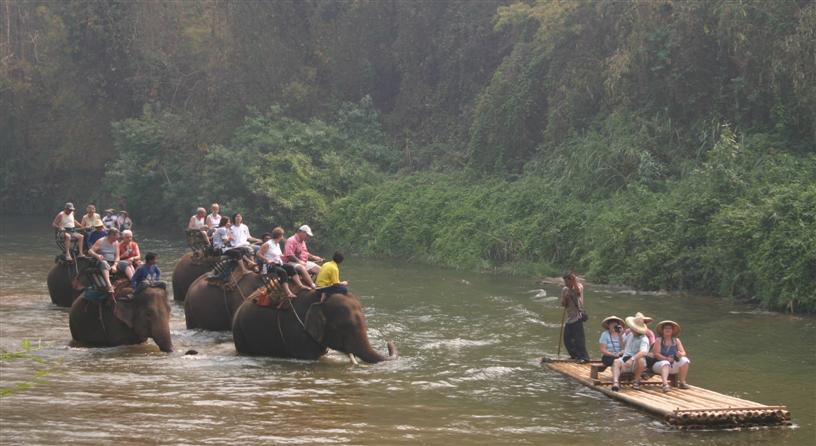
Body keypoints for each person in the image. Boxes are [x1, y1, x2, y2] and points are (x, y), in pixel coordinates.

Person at [611, 314, 650, 392]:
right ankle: (615, 383)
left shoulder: (644, 339)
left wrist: (632, 359)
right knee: (616, 361)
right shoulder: (630, 334)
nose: (631, 329)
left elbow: (643, 352)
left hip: (635, 362)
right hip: (625, 359)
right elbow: (623, 346)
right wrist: (620, 335)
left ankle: (636, 381)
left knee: (641, 360)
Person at [256, 227, 298, 298]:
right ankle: (288, 293)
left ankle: (300, 285)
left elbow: (278, 254)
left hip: (278, 264)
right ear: (279, 236)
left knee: (290, 267)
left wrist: (283, 256)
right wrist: (267, 260)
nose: (282, 237)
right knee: (283, 272)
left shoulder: (277, 244)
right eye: (282, 235)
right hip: (269, 266)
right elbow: (258, 253)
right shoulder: (268, 244)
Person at [652, 320, 691, 392]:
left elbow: (683, 352)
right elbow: (656, 354)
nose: (667, 330)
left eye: (669, 328)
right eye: (666, 328)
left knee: (685, 360)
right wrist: (666, 358)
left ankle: (682, 382)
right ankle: (665, 385)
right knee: (665, 363)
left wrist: (680, 354)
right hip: (659, 365)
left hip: (673, 364)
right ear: (663, 330)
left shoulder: (676, 340)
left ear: (672, 330)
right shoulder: (659, 340)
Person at [560, 272, 589, 363]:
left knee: (579, 339)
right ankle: (575, 356)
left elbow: (578, 293)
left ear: (571, 280)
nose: (565, 283)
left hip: (577, 317)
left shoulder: (578, 286)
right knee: (567, 339)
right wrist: (566, 297)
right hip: (569, 318)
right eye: (564, 281)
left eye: (567, 281)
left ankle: (584, 357)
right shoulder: (565, 289)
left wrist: (574, 282)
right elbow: (563, 304)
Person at [89, 228, 123, 293]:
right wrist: (97, 255)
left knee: (126, 263)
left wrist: (115, 265)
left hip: (113, 262)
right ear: (111, 235)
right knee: (104, 263)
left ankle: (133, 283)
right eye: (116, 237)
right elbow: (90, 251)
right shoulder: (101, 241)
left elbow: (117, 256)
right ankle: (109, 286)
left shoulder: (116, 243)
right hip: (102, 262)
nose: (117, 239)